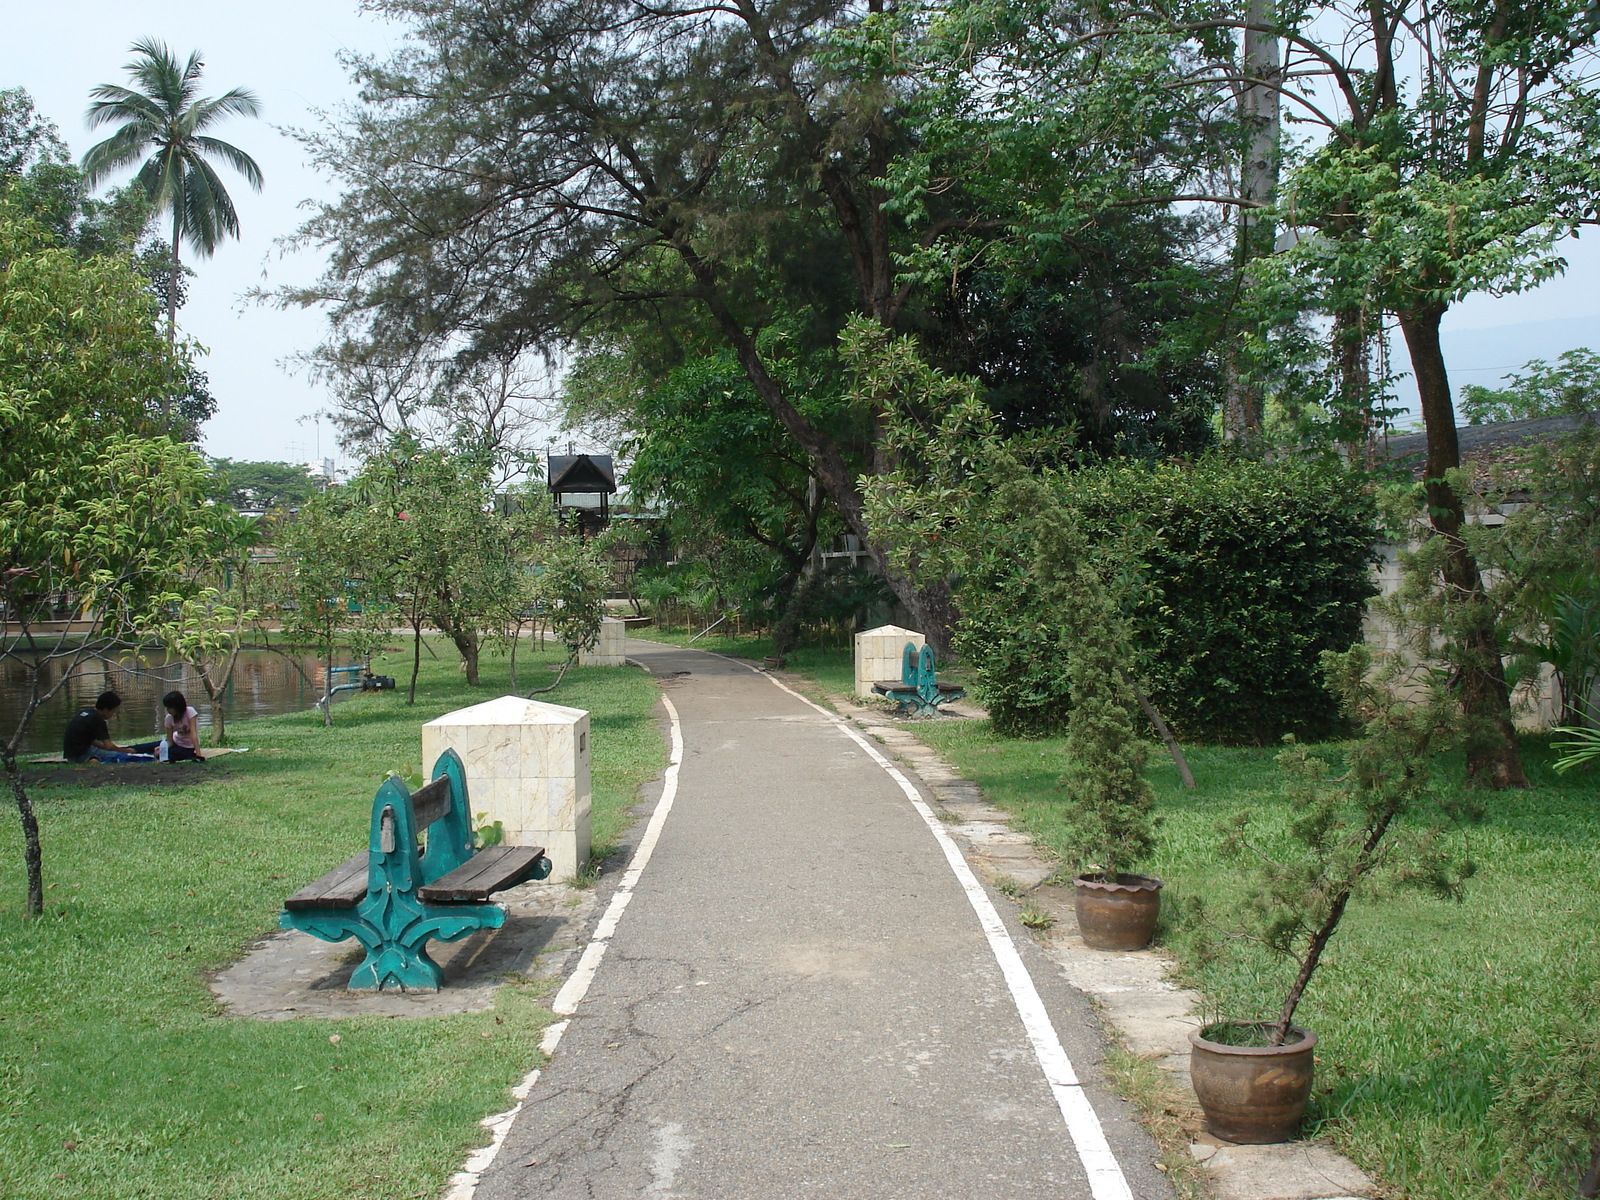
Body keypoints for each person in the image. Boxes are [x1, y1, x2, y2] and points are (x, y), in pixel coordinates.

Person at [62, 691, 156, 764]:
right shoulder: (98, 719)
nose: (113, 714)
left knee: (106, 753)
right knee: (118, 756)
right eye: (113, 711)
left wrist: (105, 748)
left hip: (71, 755)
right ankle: (91, 760)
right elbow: (109, 746)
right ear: (107, 709)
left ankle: (91, 760)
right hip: (82, 754)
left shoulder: (87, 713)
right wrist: (125, 751)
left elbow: (91, 741)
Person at [160, 690, 205, 763]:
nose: (168, 710)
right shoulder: (169, 718)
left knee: (172, 754)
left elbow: (193, 733)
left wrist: (198, 753)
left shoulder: (189, 712)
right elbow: (170, 740)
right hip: (176, 741)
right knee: (151, 747)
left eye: (170, 707)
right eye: (167, 707)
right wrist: (164, 749)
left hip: (187, 747)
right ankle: (135, 749)